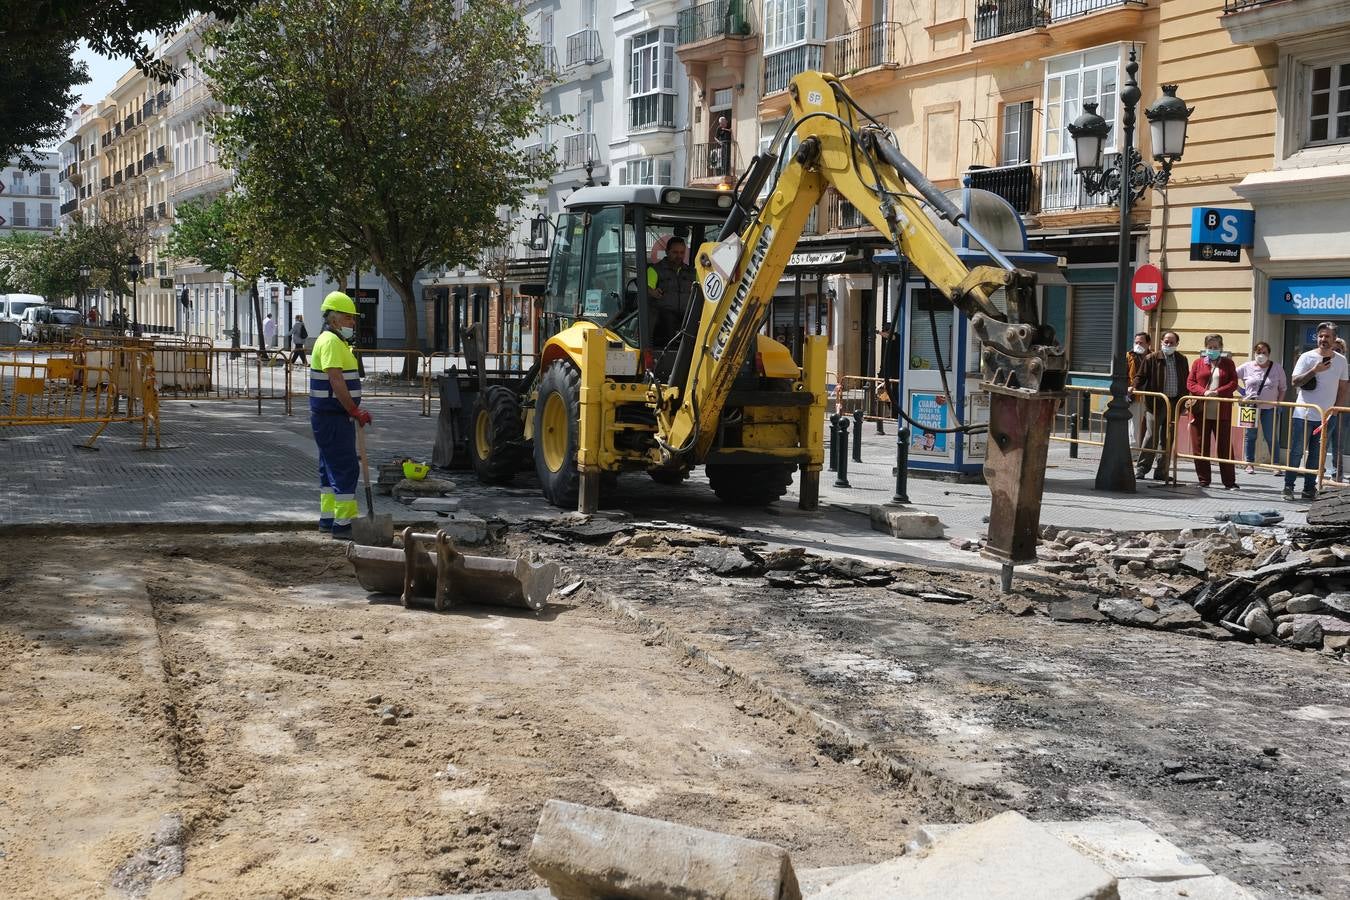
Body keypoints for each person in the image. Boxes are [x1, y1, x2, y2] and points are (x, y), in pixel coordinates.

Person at [309, 291, 371, 539]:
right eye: (348, 318)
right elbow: (336, 380)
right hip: (333, 417)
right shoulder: (332, 342)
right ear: (334, 320)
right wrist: (353, 410)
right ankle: (344, 524)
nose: (353, 323)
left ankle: (328, 518)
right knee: (345, 468)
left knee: (329, 469)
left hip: (328, 416)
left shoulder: (332, 340)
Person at [1285, 321, 1349, 500]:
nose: (1323, 339)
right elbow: (1294, 382)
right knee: (1297, 451)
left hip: (1327, 417)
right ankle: (1288, 486)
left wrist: (1335, 410)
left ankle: (1308, 489)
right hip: (1303, 414)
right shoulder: (1307, 357)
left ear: (1335, 339)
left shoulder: (1341, 361)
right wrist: (1315, 370)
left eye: (1327, 336)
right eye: (1320, 336)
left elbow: (1343, 388)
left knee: (1316, 455)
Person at [1186, 333, 1239, 489]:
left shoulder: (1228, 364)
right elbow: (1190, 382)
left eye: (1215, 347)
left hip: (1221, 411)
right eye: (1210, 347)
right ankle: (1204, 480)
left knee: (1224, 447)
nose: (1212, 350)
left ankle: (1229, 482)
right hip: (1201, 410)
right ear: (1205, 348)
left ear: (1221, 348)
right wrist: (1204, 392)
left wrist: (1218, 392)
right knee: (1200, 446)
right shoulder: (1198, 363)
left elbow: (1233, 383)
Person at [1134, 331, 1188, 480]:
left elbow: (1185, 379)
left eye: (1171, 342)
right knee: (1151, 436)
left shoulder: (1182, 359)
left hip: (1174, 403)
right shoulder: (1151, 358)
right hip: (1156, 403)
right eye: (1166, 341)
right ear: (1161, 342)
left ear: (1177, 344)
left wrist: (1185, 401)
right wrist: (1133, 387)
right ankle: (1142, 468)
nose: (1168, 344)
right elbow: (1140, 376)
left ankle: (1162, 472)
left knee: (1167, 439)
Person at [1235, 341, 1286, 475]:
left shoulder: (1277, 368)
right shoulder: (1246, 366)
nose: (1261, 355)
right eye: (1258, 352)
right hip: (1251, 406)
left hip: (1269, 408)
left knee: (1271, 437)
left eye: (1264, 352)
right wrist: (1242, 392)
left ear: (1269, 354)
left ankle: (1275, 464)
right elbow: (1231, 378)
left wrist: (1278, 403)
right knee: (1250, 436)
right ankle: (1249, 463)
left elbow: (1283, 388)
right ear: (1254, 353)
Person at [647, 236, 694, 349]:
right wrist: (652, 292)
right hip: (664, 316)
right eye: (675, 252)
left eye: (682, 252)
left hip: (687, 315)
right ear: (667, 252)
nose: (679, 256)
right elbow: (647, 288)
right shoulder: (654, 270)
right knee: (667, 321)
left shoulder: (692, 272)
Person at [1127, 331, 1151, 447]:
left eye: (1141, 343)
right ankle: (1133, 451)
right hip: (1134, 396)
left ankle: (1146, 450)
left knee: (1149, 426)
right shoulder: (1129, 356)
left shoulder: (1153, 357)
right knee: (1134, 425)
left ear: (1148, 344)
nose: (1138, 345)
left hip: (1150, 397)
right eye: (1136, 342)